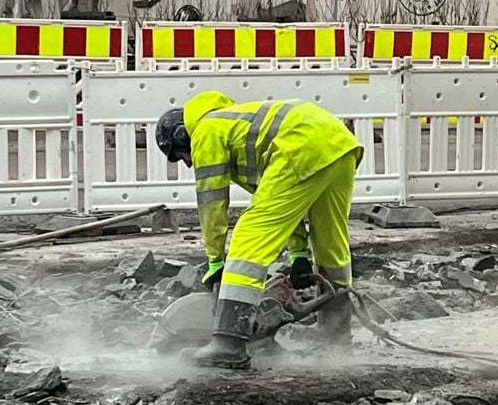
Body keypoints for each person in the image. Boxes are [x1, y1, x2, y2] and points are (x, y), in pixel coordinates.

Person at [155, 91, 364, 369]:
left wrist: (216, 261)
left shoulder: (206, 129)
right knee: (330, 243)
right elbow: (283, 205)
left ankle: (228, 344)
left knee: (249, 237)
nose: (188, 163)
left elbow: (212, 202)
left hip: (301, 145)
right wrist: (298, 255)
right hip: (339, 144)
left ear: (183, 135)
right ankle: (337, 342)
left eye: (181, 156)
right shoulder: (239, 127)